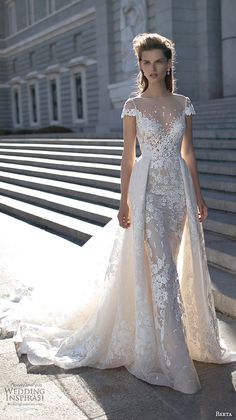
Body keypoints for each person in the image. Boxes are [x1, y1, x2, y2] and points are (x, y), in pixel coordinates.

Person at [0, 32, 236, 395]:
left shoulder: (184, 104)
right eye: (146, 62)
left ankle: (168, 338)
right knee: (160, 269)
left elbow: (189, 153)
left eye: (158, 61)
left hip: (178, 193)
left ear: (168, 63)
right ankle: (173, 359)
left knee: (170, 265)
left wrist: (199, 197)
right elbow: (127, 158)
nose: (152, 69)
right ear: (140, 66)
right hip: (147, 191)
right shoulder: (133, 106)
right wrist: (123, 201)